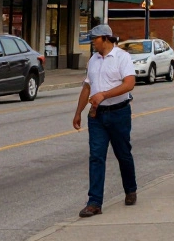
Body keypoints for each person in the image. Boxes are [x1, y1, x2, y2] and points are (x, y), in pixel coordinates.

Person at [73, 24, 137, 218]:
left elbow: (129, 84)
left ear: (106, 38)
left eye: (95, 39)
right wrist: (78, 112)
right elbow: (87, 87)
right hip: (97, 116)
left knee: (123, 154)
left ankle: (130, 189)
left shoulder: (122, 57)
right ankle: (94, 203)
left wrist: (104, 94)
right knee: (96, 156)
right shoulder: (93, 60)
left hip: (119, 113)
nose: (92, 42)